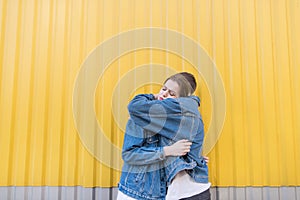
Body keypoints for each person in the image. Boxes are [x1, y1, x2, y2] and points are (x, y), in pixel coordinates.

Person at [117, 72, 210, 200]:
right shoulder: (140, 116)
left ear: (181, 100)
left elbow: (187, 147)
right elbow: (129, 154)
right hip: (136, 190)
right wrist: (167, 151)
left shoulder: (186, 117)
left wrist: (194, 158)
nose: (164, 94)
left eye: (172, 94)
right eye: (164, 88)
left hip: (170, 190)